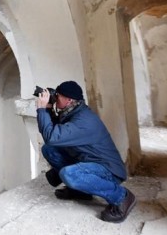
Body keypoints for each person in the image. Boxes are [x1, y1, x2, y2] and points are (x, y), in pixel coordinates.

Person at [36, 80, 137, 223]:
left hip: (108, 171)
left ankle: (122, 197)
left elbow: (52, 137)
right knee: (49, 150)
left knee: (69, 174)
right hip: (89, 161)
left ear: (69, 100)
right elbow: (54, 136)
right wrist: (48, 109)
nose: (55, 97)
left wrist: (41, 110)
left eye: (58, 95)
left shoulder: (83, 121)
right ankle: (80, 192)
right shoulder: (72, 111)